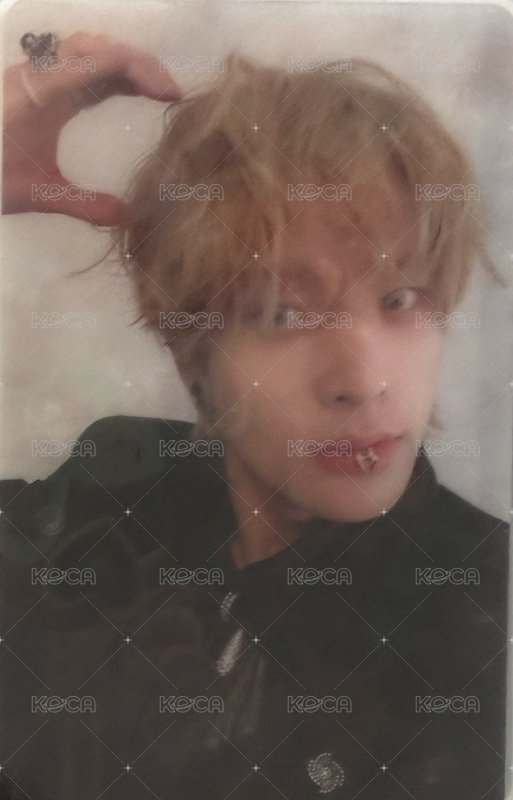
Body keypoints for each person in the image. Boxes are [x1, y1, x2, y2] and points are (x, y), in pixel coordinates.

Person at [0, 32, 510, 800]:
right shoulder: (102, 512)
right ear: (191, 356)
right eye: (283, 312)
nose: (364, 382)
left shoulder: (481, 612)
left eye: (400, 299)